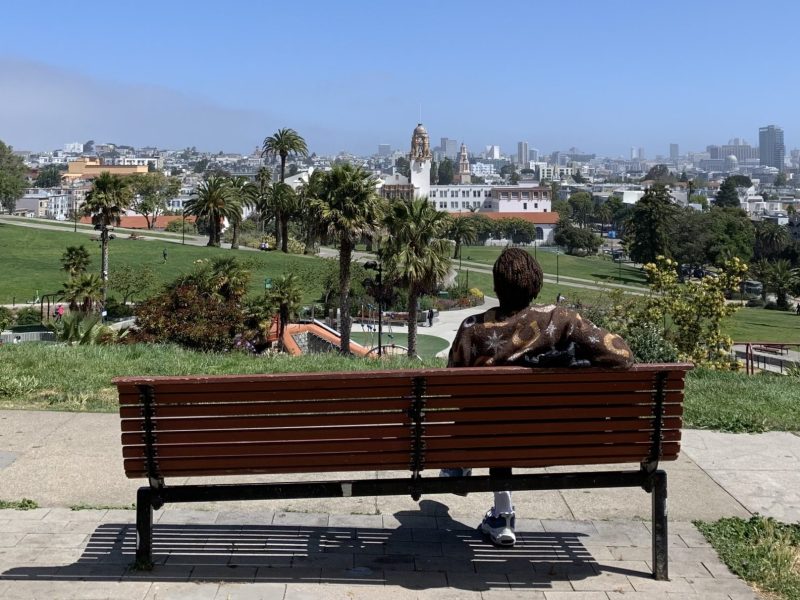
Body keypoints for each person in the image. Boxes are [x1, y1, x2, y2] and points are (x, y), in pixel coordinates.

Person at [445, 248, 633, 547]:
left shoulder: (472, 329)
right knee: (508, 419)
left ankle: (463, 470)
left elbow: (451, 385)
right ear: (538, 284)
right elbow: (621, 355)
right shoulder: (560, 319)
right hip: (547, 435)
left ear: (496, 287)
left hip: (484, 435)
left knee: (495, 417)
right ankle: (500, 512)